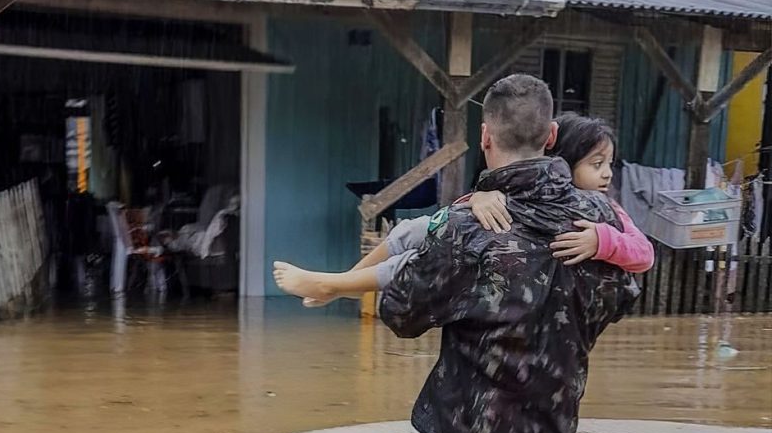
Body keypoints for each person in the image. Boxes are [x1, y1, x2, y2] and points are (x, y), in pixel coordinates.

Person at [288, 74, 640, 433]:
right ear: (552, 135)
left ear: (485, 136)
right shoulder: (602, 217)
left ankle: (332, 283)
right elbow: (623, 298)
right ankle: (332, 283)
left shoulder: (467, 227)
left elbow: (402, 315)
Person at [272, 113, 654, 304]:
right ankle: (343, 283)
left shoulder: (604, 212)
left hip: (524, 283)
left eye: (608, 165)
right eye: (596, 164)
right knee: (412, 231)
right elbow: (460, 218)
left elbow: (644, 254)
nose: (606, 174)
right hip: (508, 271)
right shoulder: (519, 188)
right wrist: (478, 197)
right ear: (560, 155)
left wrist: (602, 241)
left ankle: (334, 286)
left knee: (417, 263)